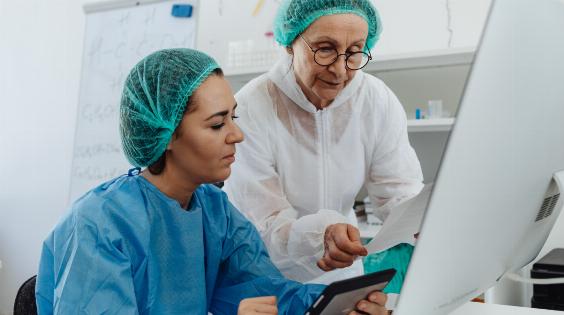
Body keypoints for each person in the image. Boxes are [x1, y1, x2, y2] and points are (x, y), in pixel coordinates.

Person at [35, 48, 388, 314]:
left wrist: (339, 305)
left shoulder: (214, 210)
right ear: (167, 134)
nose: (236, 135)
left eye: (233, 118)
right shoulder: (98, 224)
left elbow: (262, 293)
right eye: (217, 124)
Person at [224, 0, 424, 284]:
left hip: (344, 271)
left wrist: (420, 222)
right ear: (289, 43)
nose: (341, 71)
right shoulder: (251, 108)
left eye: (355, 52)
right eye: (326, 49)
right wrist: (321, 238)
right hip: (270, 277)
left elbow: (398, 192)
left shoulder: (375, 100)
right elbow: (264, 224)